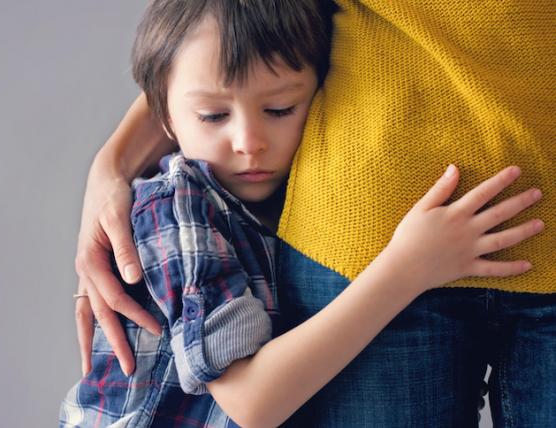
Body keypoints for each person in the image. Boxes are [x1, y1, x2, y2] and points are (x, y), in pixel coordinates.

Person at [61, 1, 546, 426]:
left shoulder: (264, 192)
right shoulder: (178, 213)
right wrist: (407, 268)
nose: (249, 144)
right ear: (166, 117)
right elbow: (250, 401)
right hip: (382, 262)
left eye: (279, 109)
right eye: (213, 116)